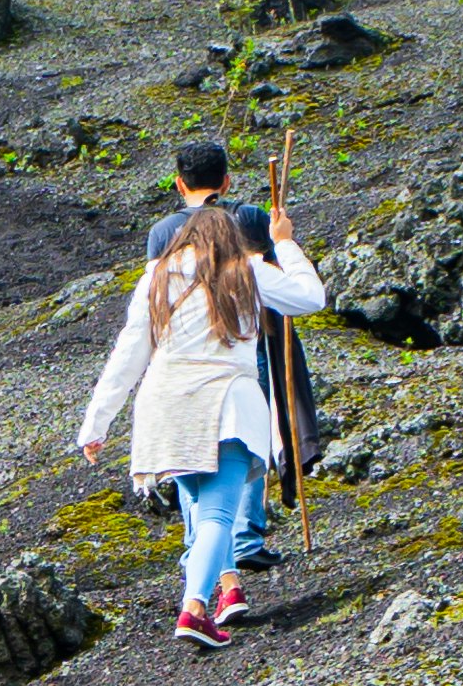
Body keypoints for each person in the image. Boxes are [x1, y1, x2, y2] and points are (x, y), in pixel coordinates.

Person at [77, 182, 323, 649]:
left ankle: (224, 588)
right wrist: (285, 241)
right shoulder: (247, 272)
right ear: (231, 240)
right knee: (217, 515)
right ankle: (193, 610)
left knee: (203, 510)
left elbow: (128, 352)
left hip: (163, 411)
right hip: (225, 406)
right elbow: (311, 298)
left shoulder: (157, 276)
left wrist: (97, 423)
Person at [154, 134, 321, 562]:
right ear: (226, 182)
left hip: (187, 356)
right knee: (247, 437)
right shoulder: (247, 217)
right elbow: (272, 277)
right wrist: (282, 235)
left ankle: (200, 543)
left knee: (192, 447)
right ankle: (245, 537)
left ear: (179, 184)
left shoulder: (163, 232)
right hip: (247, 347)